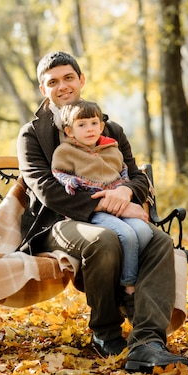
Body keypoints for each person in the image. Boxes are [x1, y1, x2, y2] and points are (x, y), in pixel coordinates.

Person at [17, 51, 188, 371]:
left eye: (69, 77)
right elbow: (45, 188)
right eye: (52, 82)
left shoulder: (106, 125)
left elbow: (137, 176)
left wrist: (125, 192)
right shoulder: (32, 134)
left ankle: (148, 341)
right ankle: (105, 331)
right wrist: (108, 203)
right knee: (103, 240)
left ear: (81, 80)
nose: (62, 86)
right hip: (59, 221)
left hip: (117, 213)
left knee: (160, 241)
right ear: (44, 90)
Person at [51, 100, 154, 320]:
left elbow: (125, 171)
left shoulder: (111, 147)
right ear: (69, 131)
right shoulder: (66, 152)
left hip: (119, 204)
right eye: (82, 125)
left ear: (100, 126)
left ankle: (123, 278)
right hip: (94, 209)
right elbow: (58, 173)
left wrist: (125, 191)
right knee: (125, 234)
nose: (89, 129)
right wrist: (71, 182)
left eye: (93, 123)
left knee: (144, 231)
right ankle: (128, 289)